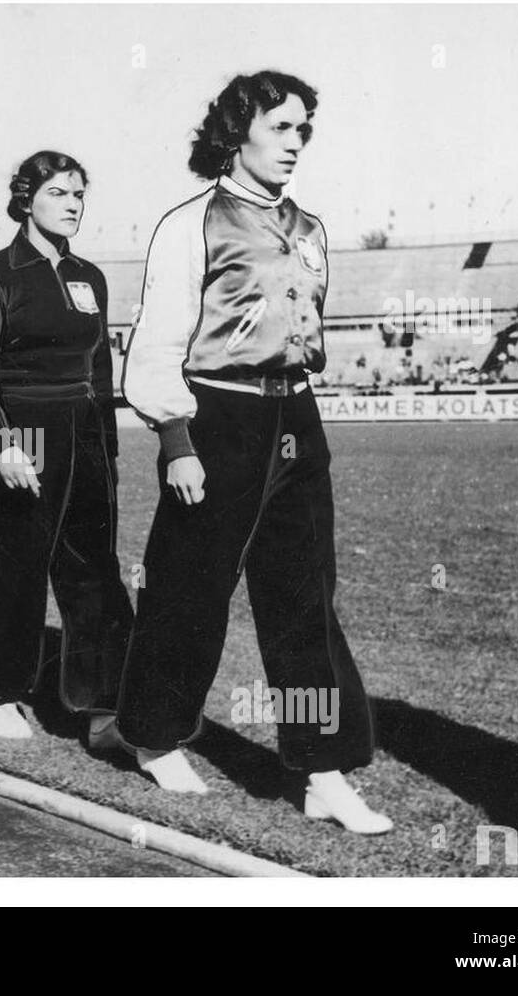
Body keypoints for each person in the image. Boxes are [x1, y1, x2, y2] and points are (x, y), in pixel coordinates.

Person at [118, 70, 392, 833]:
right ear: (237, 134)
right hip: (215, 419)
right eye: (281, 127)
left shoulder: (310, 227)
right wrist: (176, 440)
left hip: (295, 420)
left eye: (305, 128)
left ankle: (322, 766)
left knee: (305, 597)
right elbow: (160, 341)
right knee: (189, 588)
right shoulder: (191, 223)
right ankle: (153, 733)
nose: (296, 142)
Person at [0, 150, 132, 742]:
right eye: (59, 193)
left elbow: (100, 368)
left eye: (79, 194)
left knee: (94, 572)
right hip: (18, 430)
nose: (73, 205)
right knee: (16, 568)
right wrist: (1, 444)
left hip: (82, 433)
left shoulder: (91, 277)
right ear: (26, 200)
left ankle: (102, 704)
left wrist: (106, 448)